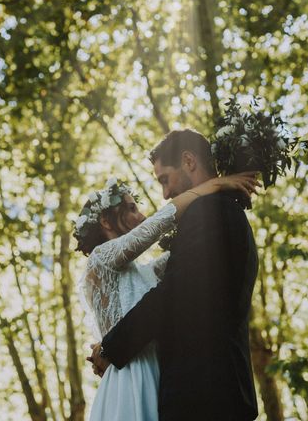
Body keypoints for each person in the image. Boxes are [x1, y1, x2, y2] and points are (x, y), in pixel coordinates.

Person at [88, 129, 260, 421]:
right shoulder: (224, 211)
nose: (165, 193)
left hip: (204, 393)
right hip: (212, 389)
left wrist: (111, 345)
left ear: (189, 160)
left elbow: (173, 294)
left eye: (164, 179)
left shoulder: (209, 211)